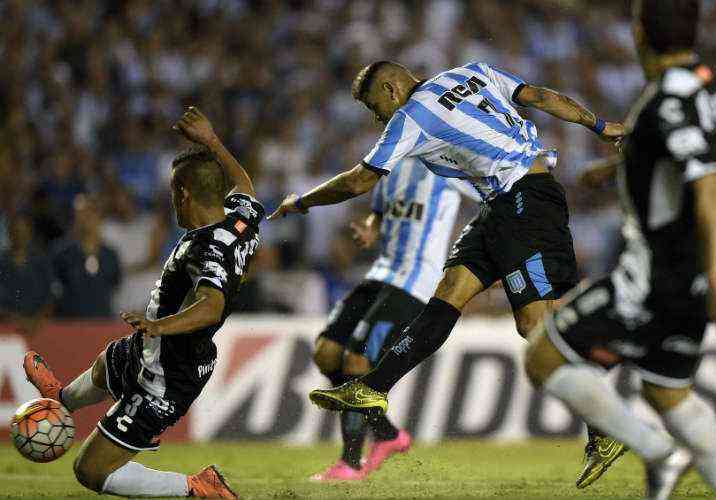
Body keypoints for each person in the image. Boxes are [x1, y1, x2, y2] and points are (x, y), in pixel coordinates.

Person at [270, 59, 624, 456]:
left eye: (374, 108)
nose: (376, 118)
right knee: (452, 287)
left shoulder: (411, 116)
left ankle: (607, 424)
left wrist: (302, 202)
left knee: (535, 324)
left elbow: (359, 180)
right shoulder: (471, 71)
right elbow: (540, 96)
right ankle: (371, 388)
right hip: (503, 205)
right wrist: (599, 125)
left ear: (390, 90)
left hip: (526, 201)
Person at [523, 1, 716, 499]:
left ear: (640, 32)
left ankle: (659, 455)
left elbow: (708, 183)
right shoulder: (707, 84)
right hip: (686, 275)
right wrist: (617, 170)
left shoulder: (665, 99)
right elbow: (684, 158)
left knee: (543, 357)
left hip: (654, 276)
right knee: (667, 392)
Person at [23, 107, 264, 499]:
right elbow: (245, 186)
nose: (171, 202)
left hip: (166, 376)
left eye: (173, 193)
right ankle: (61, 399)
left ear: (183, 194)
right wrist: (211, 141)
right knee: (110, 361)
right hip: (154, 351)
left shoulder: (209, 249)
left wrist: (160, 326)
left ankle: (198, 488)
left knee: (91, 471)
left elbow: (210, 306)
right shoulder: (240, 220)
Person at [311, 157, 479, 480]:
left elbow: (494, 190)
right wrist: (371, 230)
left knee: (357, 361)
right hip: (381, 273)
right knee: (327, 351)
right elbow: (378, 212)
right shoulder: (389, 159)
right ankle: (387, 433)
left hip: (415, 283)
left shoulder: (447, 159)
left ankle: (350, 463)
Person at [51, 194, 122, 318]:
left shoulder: (110, 255)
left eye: (91, 213)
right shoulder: (61, 254)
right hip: (70, 322)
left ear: (99, 217)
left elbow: (115, 285)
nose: (86, 219)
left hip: (102, 322)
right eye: (81, 214)